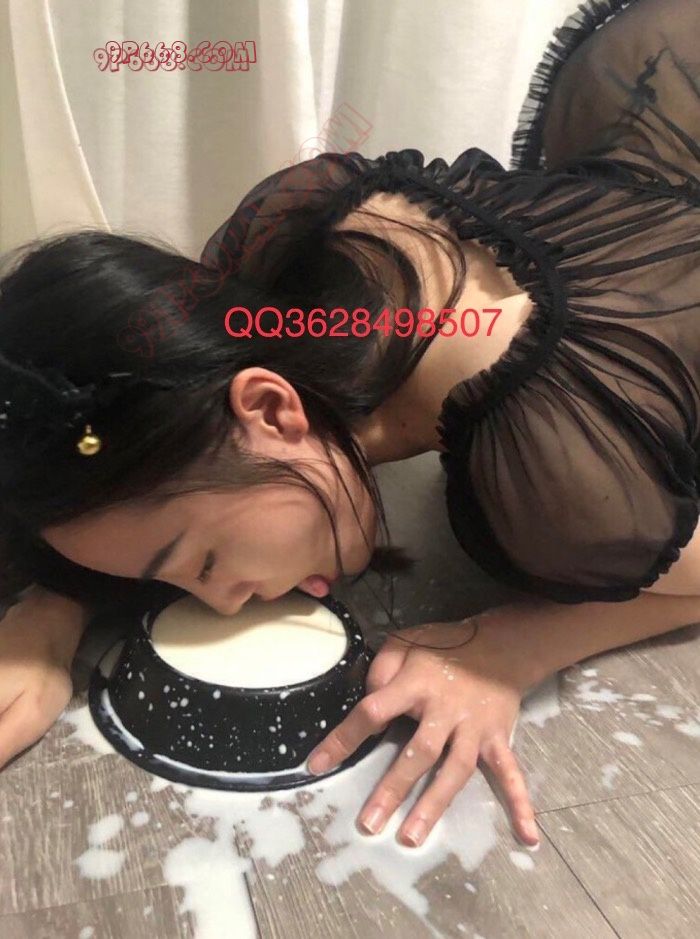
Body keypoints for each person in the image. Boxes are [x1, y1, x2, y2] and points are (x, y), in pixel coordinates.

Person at [1, 0, 700, 851]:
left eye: (205, 562)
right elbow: (124, 446)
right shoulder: (273, 250)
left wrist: (514, 644)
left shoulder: (560, 485)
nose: (220, 602)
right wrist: (54, 606)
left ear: (271, 408)